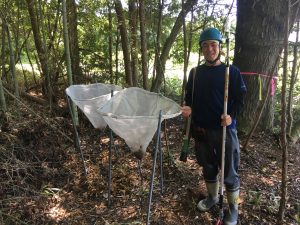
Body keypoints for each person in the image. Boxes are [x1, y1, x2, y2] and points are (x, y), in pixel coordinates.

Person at [181, 27, 246, 225]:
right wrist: (187, 108)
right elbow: (189, 98)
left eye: (214, 45)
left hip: (225, 131)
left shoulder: (231, 72)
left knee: (229, 171)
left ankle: (233, 209)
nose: (210, 49)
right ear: (201, 49)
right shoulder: (195, 73)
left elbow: (241, 99)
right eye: (205, 45)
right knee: (208, 167)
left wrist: (231, 116)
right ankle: (212, 198)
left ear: (220, 47)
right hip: (201, 130)